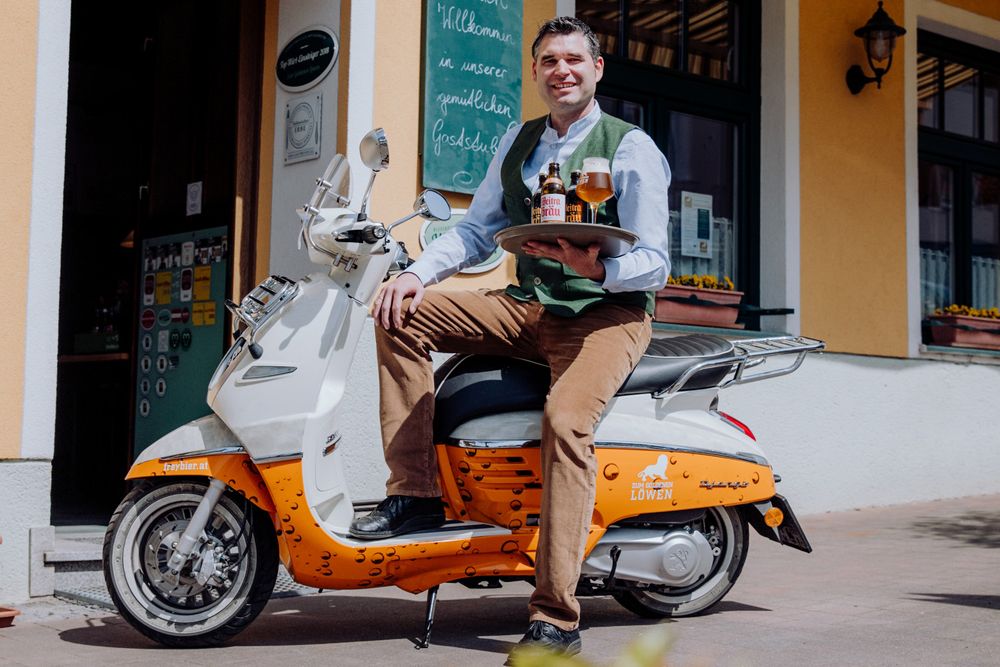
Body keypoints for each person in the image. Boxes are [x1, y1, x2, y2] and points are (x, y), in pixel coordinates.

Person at [349, 16, 671, 661]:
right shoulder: (519, 142)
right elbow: (476, 230)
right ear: (536, 72)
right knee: (399, 315)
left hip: (606, 315)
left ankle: (557, 617)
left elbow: (657, 261)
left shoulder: (630, 146)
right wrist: (414, 274)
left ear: (597, 68)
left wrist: (599, 269)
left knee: (566, 421)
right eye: (550, 60)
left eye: (575, 60)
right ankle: (414, 498)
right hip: (528, 306)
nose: (563, 71)